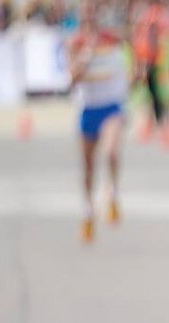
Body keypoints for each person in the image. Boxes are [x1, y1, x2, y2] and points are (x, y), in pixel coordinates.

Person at [67, 0, 130, 244]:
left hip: (111, 107)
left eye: (95, 12)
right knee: (88, 167)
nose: (91, 17)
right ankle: (87, 211)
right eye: (87, 13)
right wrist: (86, 56)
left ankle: (112, 193)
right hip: (88, 109)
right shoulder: (75, 42)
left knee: (112, 151)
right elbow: (72, 79)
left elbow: (130, 50)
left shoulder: (112, 39)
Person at [132, 0, 169, 128]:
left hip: (151, 59)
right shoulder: (151, 12)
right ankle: (156, 118)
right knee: (152, 90)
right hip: (149, 58)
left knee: (153, 90)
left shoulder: (153, 13)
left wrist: (147, 60)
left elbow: (152, 36)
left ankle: (159, 119)